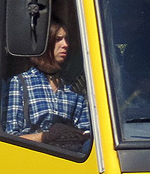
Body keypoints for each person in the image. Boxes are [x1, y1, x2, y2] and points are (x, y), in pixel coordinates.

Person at [5, 20, 91, 148]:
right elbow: (9, 138)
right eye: (58, 39)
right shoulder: (20, 83)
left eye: (66, 39)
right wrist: (45, 137)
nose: (65, 44)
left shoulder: (73, 88)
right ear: (44, 44)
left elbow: (86, 133)